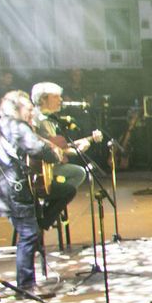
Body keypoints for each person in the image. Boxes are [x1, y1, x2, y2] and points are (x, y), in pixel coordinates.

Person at [0, 90, 61, 293]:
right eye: (28, 108)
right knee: (29, 234)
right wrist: (54, 154)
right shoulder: (17, 126)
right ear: (16, 109)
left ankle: (41, 223)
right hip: (13, 192)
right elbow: (38, 150)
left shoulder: (2, 125)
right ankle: (26, 285)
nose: (32, 111)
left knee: (32, 227)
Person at [29, 81, 99, 229]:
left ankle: (53, 204)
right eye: (56, 97)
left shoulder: (51, 120)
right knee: (77, 174)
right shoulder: (35, 118)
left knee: (78, 172)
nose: (60, 100)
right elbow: (36, 143)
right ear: (43, 99)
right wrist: (73, 150)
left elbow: (61, 147)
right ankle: (51, 209)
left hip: (50, 166)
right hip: (38, 171)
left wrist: (88, 141)